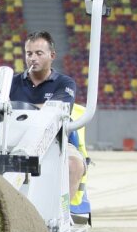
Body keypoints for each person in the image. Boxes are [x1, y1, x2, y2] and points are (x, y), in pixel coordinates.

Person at [10, 30, 86, 200]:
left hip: (54, 141)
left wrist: (20, 109)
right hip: (15, 139)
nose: (32, 58)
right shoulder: (12, 82)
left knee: (74, 165)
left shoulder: (65, 83)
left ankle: (61, 215)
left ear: (52, 55)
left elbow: (58, 109)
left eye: (39, 53)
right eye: (29, 53)